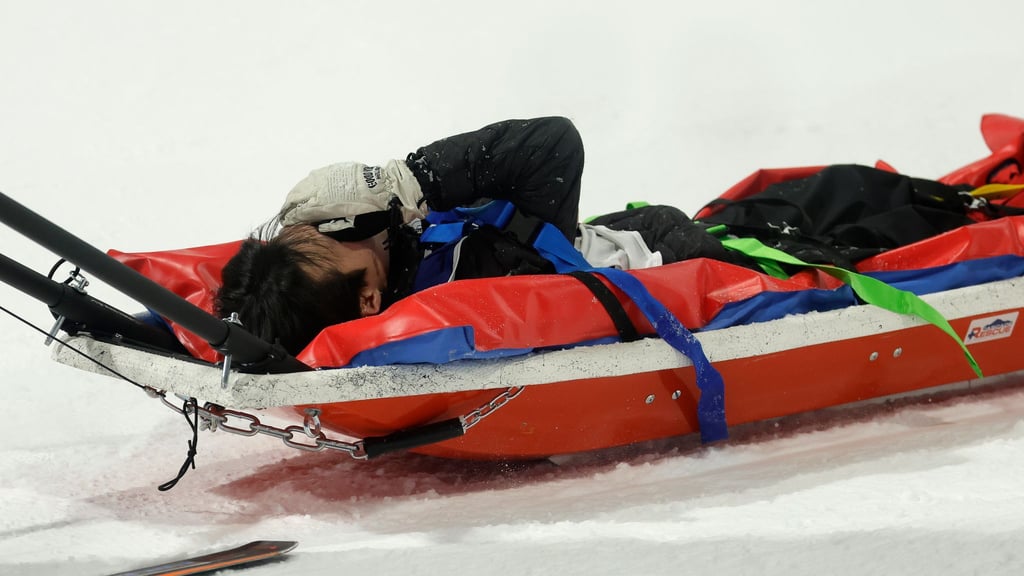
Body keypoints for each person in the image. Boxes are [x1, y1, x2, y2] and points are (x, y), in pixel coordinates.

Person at [215, 117, 748, 354]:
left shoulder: (396, 272)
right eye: (339, 238)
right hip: (691, 265)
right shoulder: (474, 280)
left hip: (629, 237)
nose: (350, 225)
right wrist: (414, 178)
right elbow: (551, 143)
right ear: (368, 298)